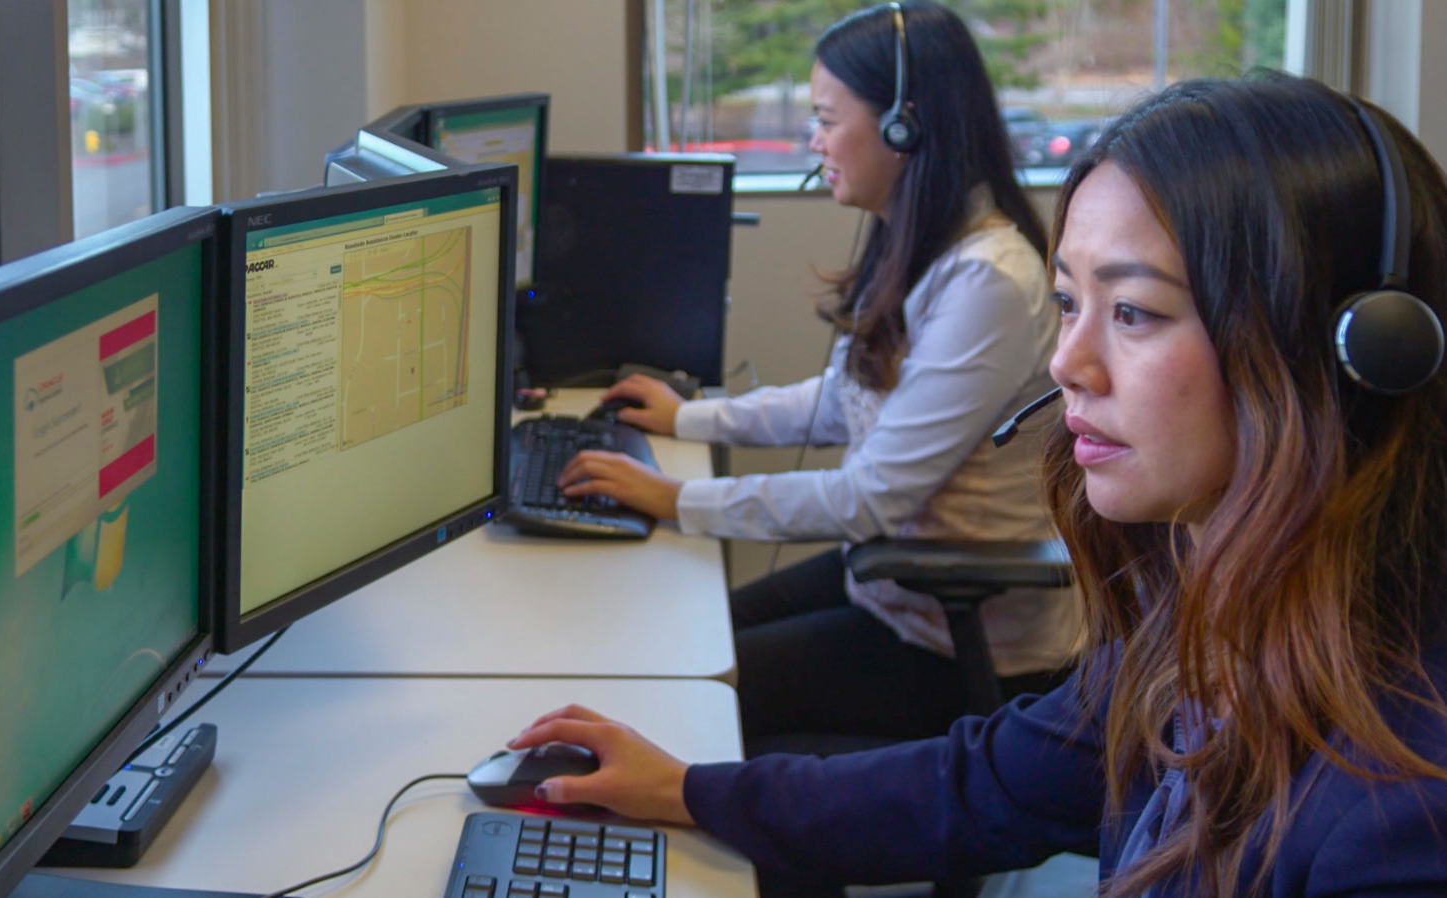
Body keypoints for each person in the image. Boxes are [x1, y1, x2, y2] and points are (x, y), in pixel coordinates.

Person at [514, 74, 1447, 897]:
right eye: (1072, 302)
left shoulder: (1404, 815)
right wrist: (688, 790)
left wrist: (677, 496)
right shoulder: (1200, 622)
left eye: (1133, 311)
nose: (1067, 362)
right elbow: (986, 784)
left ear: (1358, 352)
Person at [558, 0, 1081, 751]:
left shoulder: (988, 281)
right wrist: (689, 418)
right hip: (897, 590)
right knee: (679, 645)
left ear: (906, 126)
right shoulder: (924, 240)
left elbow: (869, 496)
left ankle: (800, 858)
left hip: (962, 644)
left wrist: (673, 497)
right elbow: (845, 400)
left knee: (693, 699)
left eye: (828, 119)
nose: (815, 140)